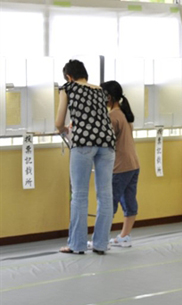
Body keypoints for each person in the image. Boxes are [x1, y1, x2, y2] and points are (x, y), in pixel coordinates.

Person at [56, 59, 115, 255]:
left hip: (83, 142)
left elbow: (58, 121)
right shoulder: (99, 90)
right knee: (105, 195)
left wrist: (63, 129)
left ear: (69, 77)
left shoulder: (68, 88)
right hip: (107, 143)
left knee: (80, 195)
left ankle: (77, 245)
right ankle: (100, 244)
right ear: (85, 75)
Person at [100, 80, 140, 248]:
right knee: (129, 201)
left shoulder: (112, 116)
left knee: (109, 203)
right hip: (133, 164)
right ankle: (124, 236)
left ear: (108, 97)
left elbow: (104, 141)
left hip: (120, 167)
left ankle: (101, 239)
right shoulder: (123, 113)